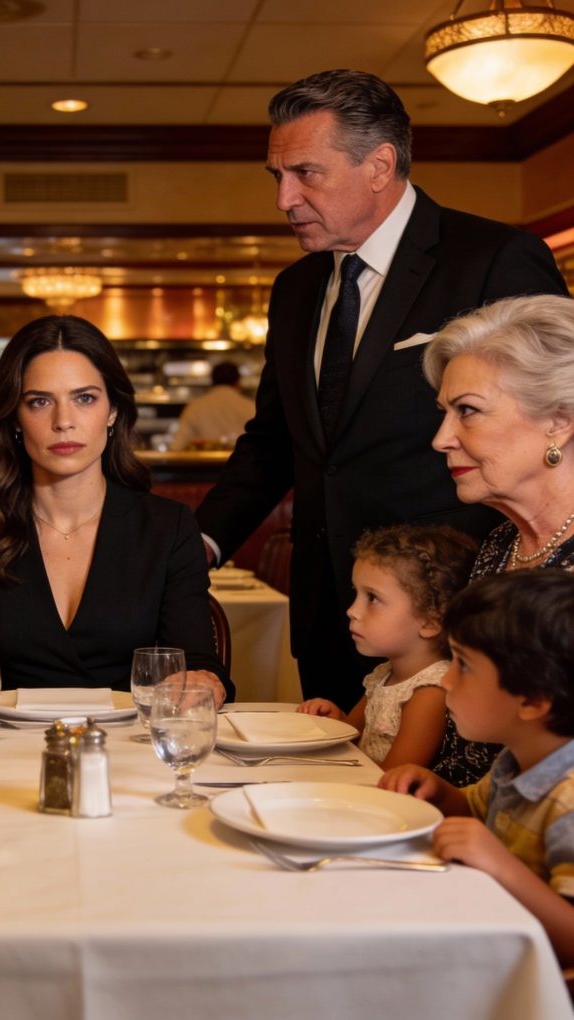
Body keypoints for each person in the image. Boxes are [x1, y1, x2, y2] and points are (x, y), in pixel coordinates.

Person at [193, 69, 568, 712]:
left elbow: (555, 410)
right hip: (330, 607)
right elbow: (276, 440)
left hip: (448, 604)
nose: (284, 198)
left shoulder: (493, 258)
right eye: (277, 176)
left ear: (379, 165)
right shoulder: (295, 289)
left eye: (305, 173)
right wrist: (201, 543)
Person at [0, 314, 231, 714]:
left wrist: (206, 682)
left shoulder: (168, 527)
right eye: (39, 402)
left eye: (84, 398)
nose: (63, 422)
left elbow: (199, 665)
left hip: (130, 744)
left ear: (113, 410)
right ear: (15, 418)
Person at [381, 570, 574, 968]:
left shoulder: (568, 803)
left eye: (463, 665)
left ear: (533, 700)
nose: (446, 680)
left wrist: (501, 866)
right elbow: (475, 809)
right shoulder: (517, 759)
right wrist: (438, 790)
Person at [423, 293, 574, 786]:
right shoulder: (500, 544)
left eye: (467, 410)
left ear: (559, 421)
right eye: (444, 412)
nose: (441, 439)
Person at [298, 524, 476, 769]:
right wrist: (338, 722)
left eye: (372, 598)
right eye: (356, 594)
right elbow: (353, 742)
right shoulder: (384, 674)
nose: (352, 611)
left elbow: (393, 777)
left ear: (431, 621)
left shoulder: (430, 692)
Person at [170, 362, 255, 452]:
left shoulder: (195, 407)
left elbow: (177, 446)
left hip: (203, 460)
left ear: (212, 381)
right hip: (243, 460)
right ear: (238, 382)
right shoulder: (250, 406)